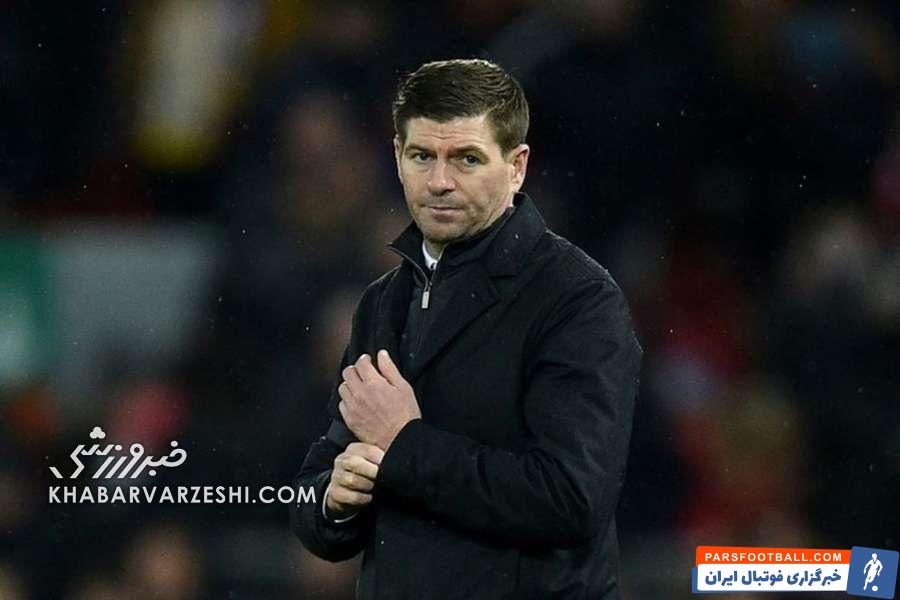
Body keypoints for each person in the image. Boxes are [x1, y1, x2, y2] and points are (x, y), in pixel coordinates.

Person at [290, 58, 642, 599]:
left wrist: (405, 445)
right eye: (422, 156)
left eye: (467, 159)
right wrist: (333, 501)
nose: (439, 182)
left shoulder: (578, 300)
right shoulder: (382, 303)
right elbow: (319, 486)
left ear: (517, 166)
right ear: (397, 157)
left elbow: (571, 499)